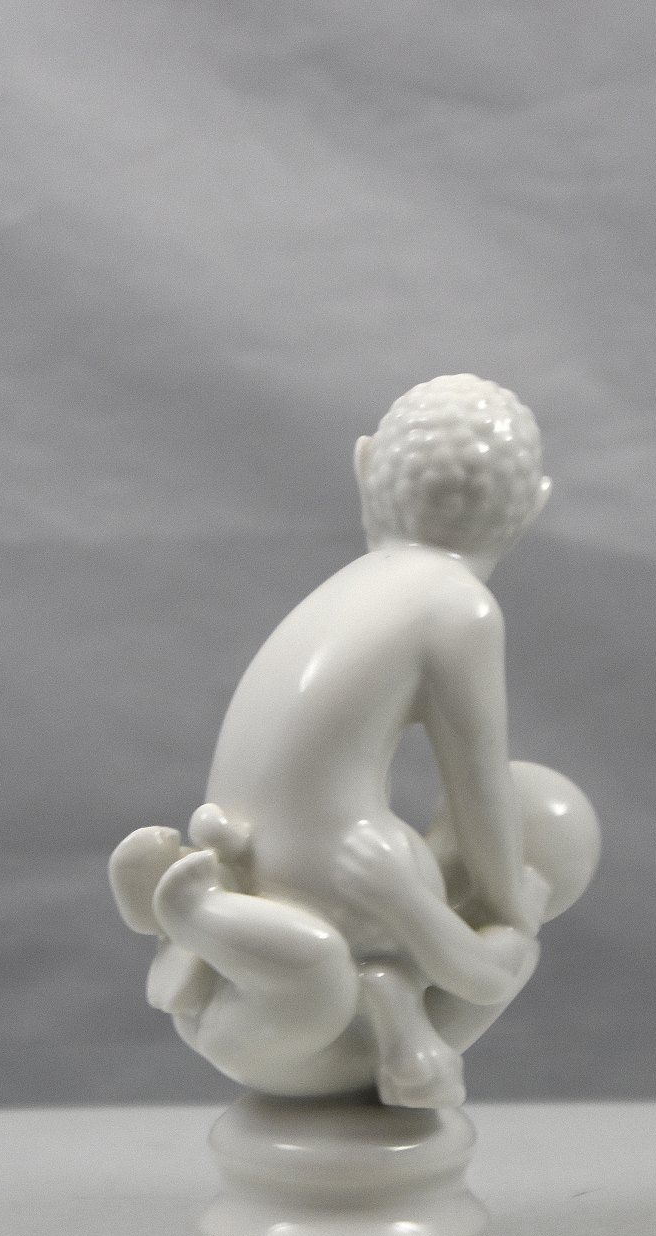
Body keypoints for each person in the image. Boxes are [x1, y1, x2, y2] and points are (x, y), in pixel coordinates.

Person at [113, 375, 561, 1107]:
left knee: (336, 972)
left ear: (365, 468)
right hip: (315, 920)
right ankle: (203, 922)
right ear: (533, 506)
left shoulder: (352, 586)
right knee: (336, 973)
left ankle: (202, 924)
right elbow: (478, 789)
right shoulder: (459, 607)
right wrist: (509, 902)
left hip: (249, 882)